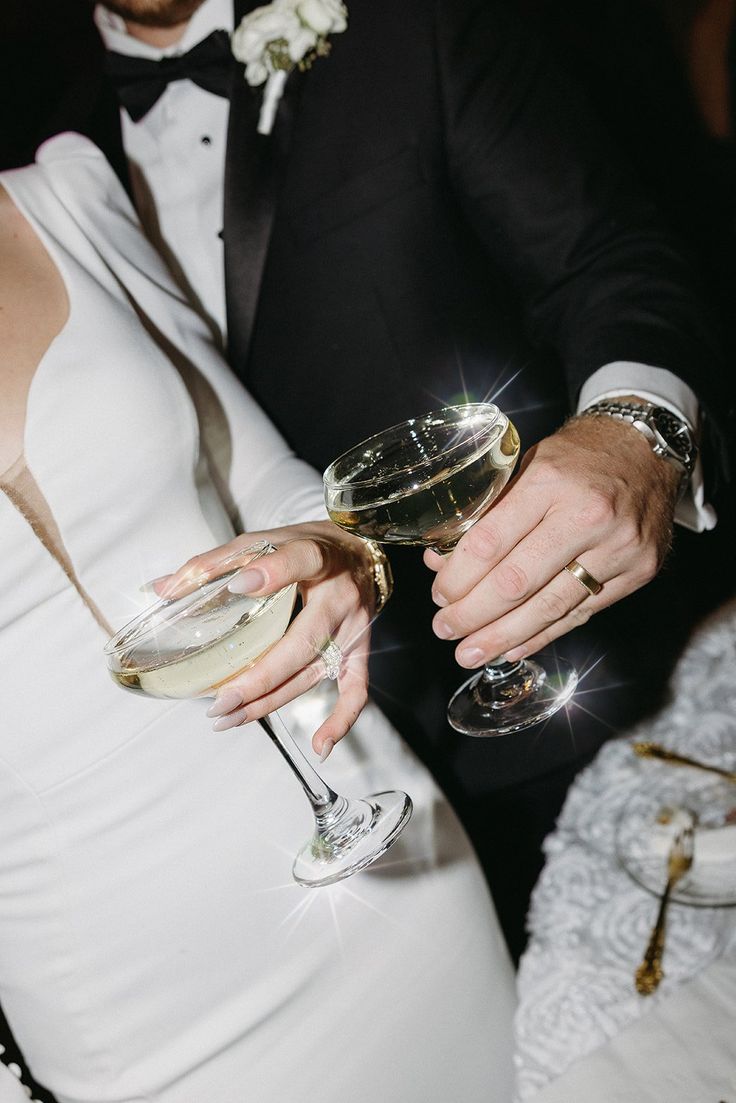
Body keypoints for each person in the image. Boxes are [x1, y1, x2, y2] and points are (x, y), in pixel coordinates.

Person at [19, 0, 734, 952]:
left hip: (563, 686)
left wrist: (638, 429)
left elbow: (613, 262)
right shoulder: (45, 154)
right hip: (274, 800)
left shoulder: (407, 28)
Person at [0, 132, 517, 1103]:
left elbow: (261, 472)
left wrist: (336, 554)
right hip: (114, 990)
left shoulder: (61, 197)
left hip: (368, 837)